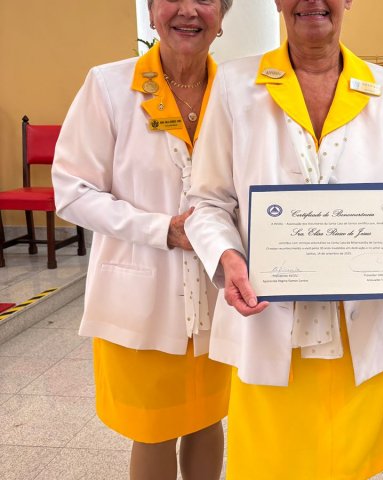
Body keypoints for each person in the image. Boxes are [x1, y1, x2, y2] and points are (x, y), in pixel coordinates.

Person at [185, 0, 383, 478]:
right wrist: (226, 255)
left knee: (355, 464)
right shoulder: (235, 85)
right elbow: (207, 201)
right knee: (273, 464)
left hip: (361, 324)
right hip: (270, 320)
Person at [51, 1, 234, 478]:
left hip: (220, 294)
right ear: (152, 11)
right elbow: (72, 192)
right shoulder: (109, 86)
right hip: (142, 297)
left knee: (209, 418)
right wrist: (161, 230)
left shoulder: (237, 91)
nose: (189, 10)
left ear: (222, 14)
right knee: (153, 430)